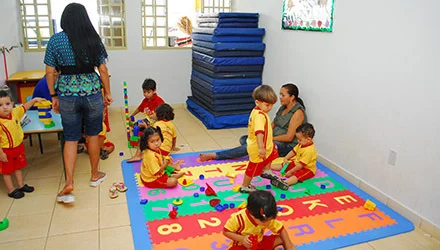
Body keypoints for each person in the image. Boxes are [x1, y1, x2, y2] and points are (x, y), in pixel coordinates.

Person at [44, 3, 112, 203]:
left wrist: (53, 95)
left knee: (71, 138)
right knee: (92, 135)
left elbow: (49, 72)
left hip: (66, 93)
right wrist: (107, 93)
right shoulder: (93, 38)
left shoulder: (56, 40)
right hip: (91, 92)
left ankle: (69, 183)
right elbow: (104, 70)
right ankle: (94, 175)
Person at [200, 83, 306, 161]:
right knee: (244, 139)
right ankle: (256, 149)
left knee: (251, 145)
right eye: (280, 94)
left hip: (286, 145)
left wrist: (268, 139)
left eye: (283, 95)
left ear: (292, 97)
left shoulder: (298, 113)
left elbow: (289, 137)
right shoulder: (283, 108)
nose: (280, 97)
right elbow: (272, 125)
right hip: (271, 138)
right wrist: (262, 137)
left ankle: (216, 155)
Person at [0, 89, 45, 199]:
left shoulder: (15, 112)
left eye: (7, 104)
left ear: (12, 104)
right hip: (6, 151)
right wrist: (1, 153)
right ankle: (11, 190)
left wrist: (34, 100)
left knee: (18, 167)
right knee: (7, 171)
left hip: (18, 147)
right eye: (0, 105)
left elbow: (25, 107)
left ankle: (20, 185)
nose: (5, 107)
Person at [223, 190, 297, 250]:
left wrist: (289, 246)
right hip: (242, 246)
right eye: (265, 221)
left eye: (270, 220)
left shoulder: (267, 217)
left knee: (282, 238)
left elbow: (281, 229)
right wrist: (242, 239)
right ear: (252, 215)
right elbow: (226, 232)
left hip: (259, 243)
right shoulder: (238, 218)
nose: (268, 223)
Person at [240, 85, 279, 193]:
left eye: (272, 105)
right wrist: (261, 148)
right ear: (257, 102)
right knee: (253, 167)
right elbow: (259, 132)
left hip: (266, 145)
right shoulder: (259, 116)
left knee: (273, 153)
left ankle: (266, 170)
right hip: (258, 147)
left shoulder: (261, 112)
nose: (270, 107)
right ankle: (245, 186)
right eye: (267, 105)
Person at [271, 123, 317, 190]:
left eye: (300, 140)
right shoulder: (301, 144)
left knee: (297, 176)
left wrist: (291, 171)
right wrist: (286, 158)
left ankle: (285, 183)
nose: (298, 141)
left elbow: (301, 165)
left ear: (308, 139)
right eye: (297, 139)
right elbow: (293, 151)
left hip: (307, 169)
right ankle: (267, 167)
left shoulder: (309, 151)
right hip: (297, 163)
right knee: (284, 165)